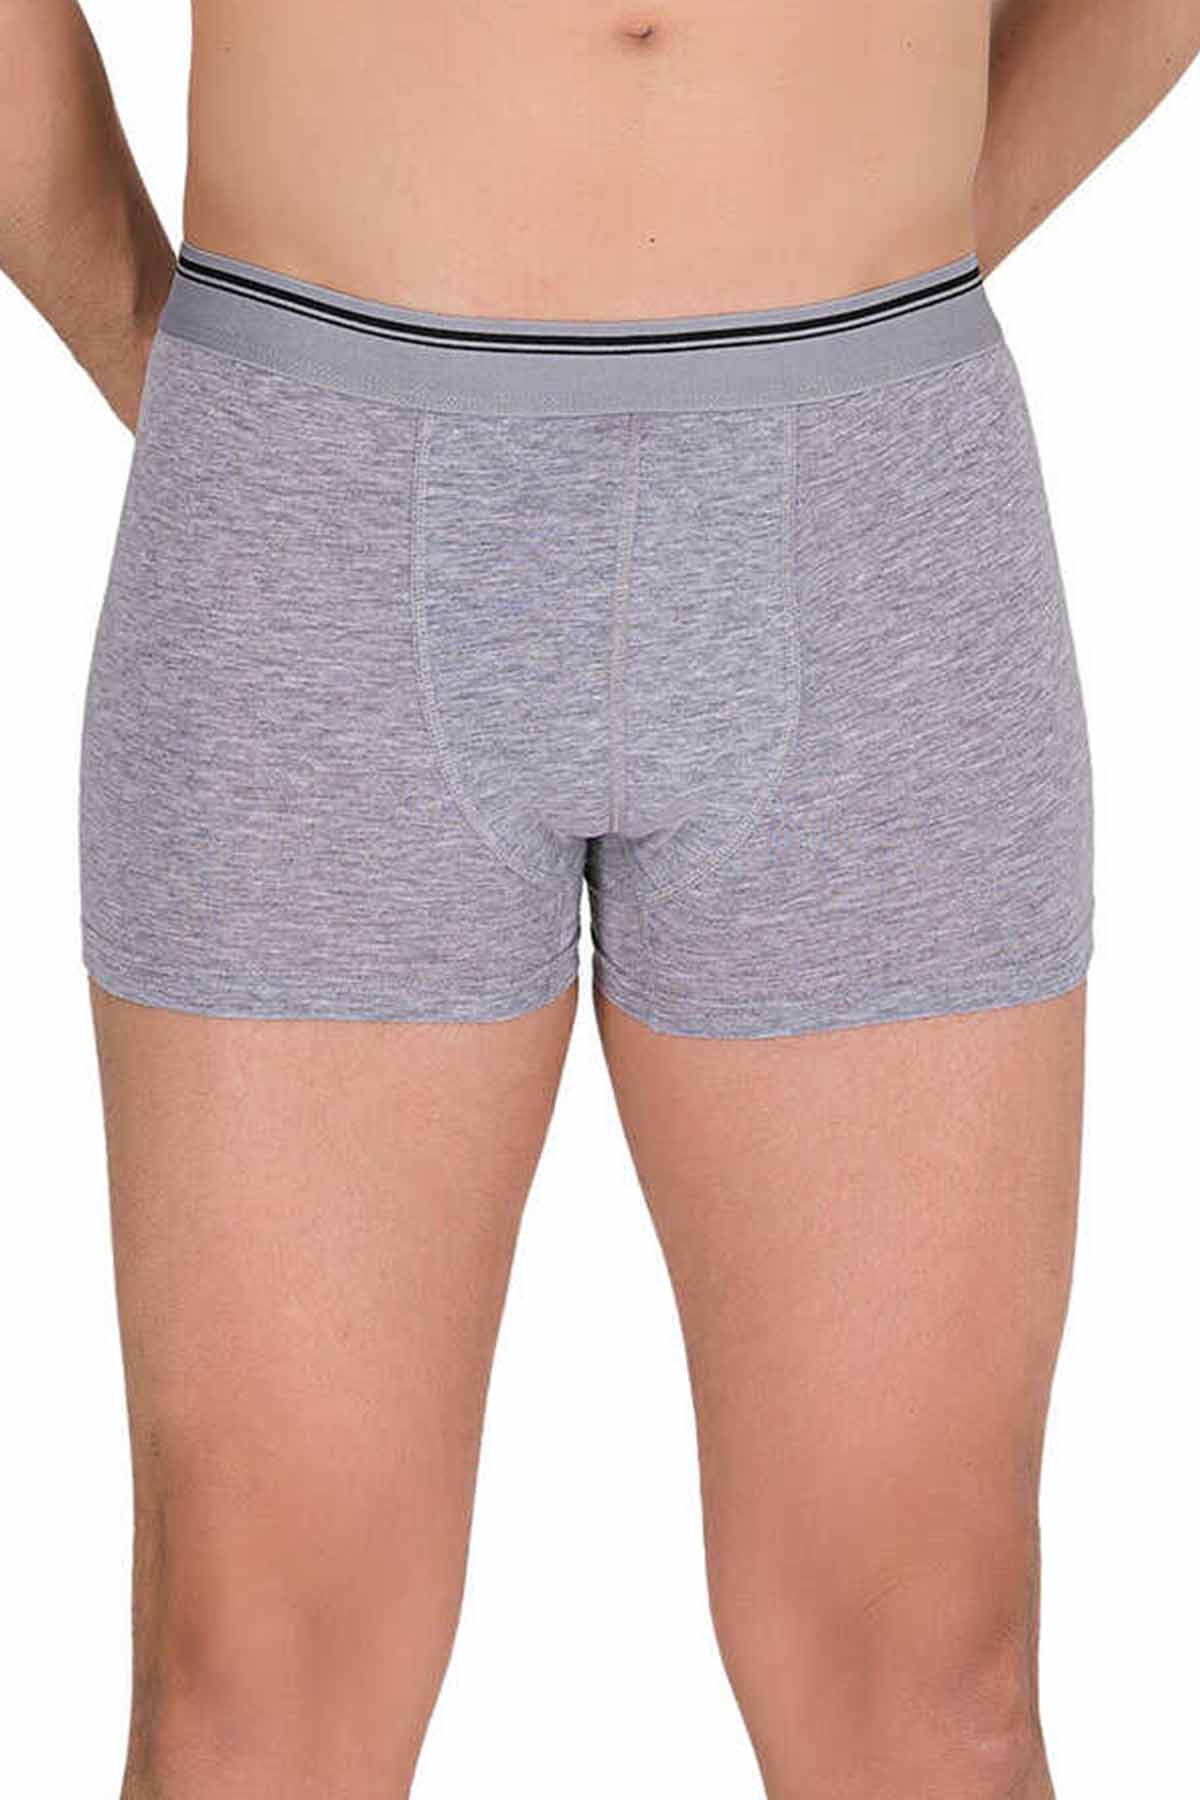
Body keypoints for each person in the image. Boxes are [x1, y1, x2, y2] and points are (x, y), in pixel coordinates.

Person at [3, 2, 1197, 1796]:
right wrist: (157, 349)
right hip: (315, 466)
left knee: (935, 1682)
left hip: (867, 482)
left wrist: (894, 239)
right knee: (253, 1684)